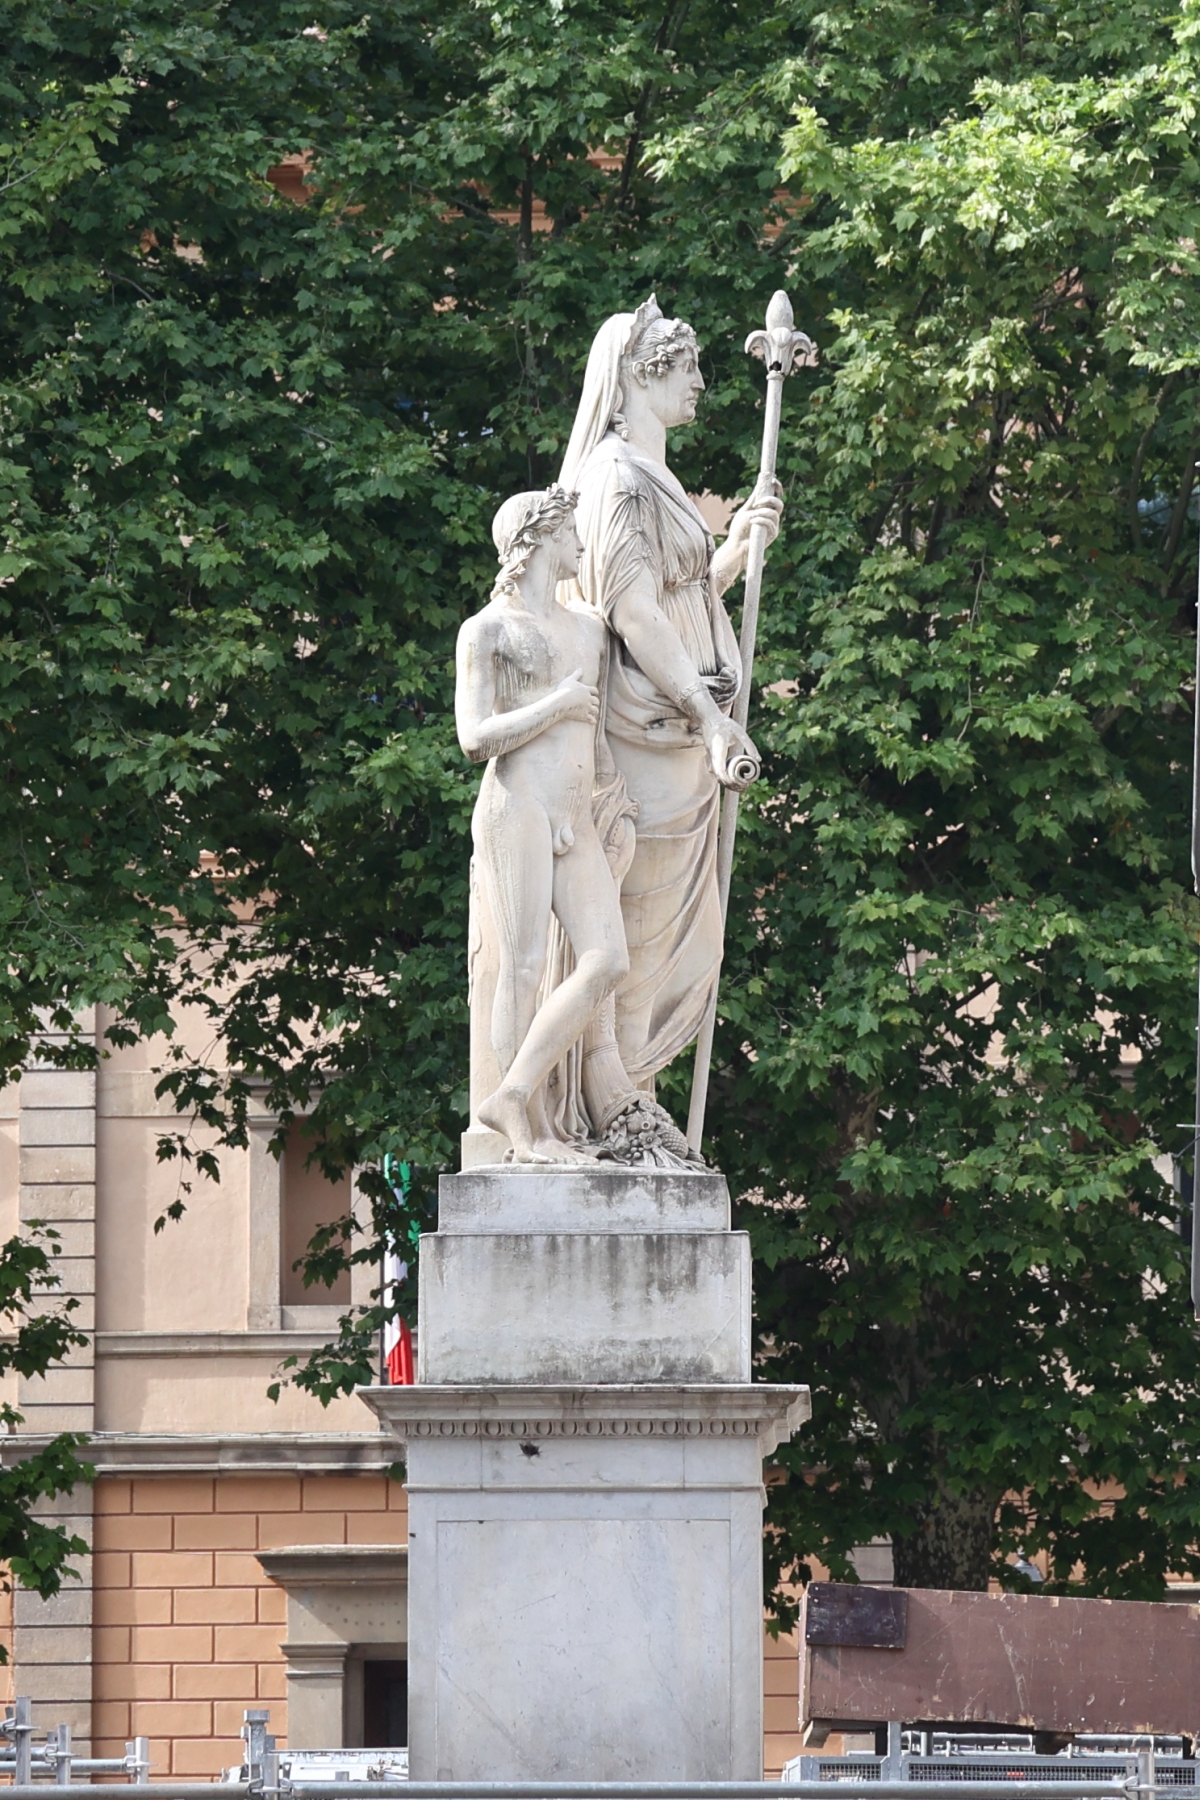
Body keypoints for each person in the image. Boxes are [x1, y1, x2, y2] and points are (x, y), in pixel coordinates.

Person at [558, 296, 783, 1111]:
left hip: (682, 735)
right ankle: (608, 1097)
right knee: (638, 921)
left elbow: (679, 595)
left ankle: (627, 1092)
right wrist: (708, 712)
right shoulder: (616, 475)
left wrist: (733, 552)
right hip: (652, 733)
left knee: (661, 931)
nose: (699, 381)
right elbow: (634, 610)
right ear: (637, 377)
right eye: (684, 366)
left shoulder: (656, 475)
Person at [455, 486, 632, 1164]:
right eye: (570, 533)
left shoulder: (588, 628)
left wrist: (734, 555)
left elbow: (654, 620)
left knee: (606, 959)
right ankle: (524, 1134)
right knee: (523, 968)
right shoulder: (489, 630)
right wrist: (556, 705)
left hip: (574, 815)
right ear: (536, 541)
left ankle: (514, 1090)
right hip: (518, 807)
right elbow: (474, 738)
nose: (581, 546)